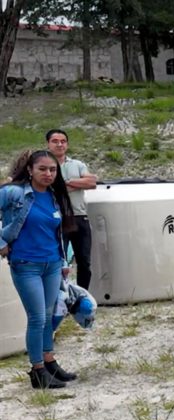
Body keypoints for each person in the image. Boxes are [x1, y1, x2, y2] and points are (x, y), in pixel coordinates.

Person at [0, 150, 79, 389]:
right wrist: (2, 243)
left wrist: (63, 262)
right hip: (26, 265)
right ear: (30, 170)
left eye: (52, 170)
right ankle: (37, 371)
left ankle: (49, 361)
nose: (48, 174)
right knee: (37, 318)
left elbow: (56, 233)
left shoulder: (53, 196)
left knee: (49, 315)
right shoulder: (13, 192)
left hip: (52, 264)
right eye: (42, 169)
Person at [46, 129, 98, 290]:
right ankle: (60, 295)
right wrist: (78, 183)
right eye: (55, 141)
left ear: (67, 144)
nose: (59, 144)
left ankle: (82, 295)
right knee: (58, 261)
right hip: (55, 218)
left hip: (79, 217)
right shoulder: (45, 166)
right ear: (48, 144)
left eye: (63, 141)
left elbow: (91, 183)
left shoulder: (77, 164)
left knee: (84, 261)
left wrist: (65, 183)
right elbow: (47, 187)